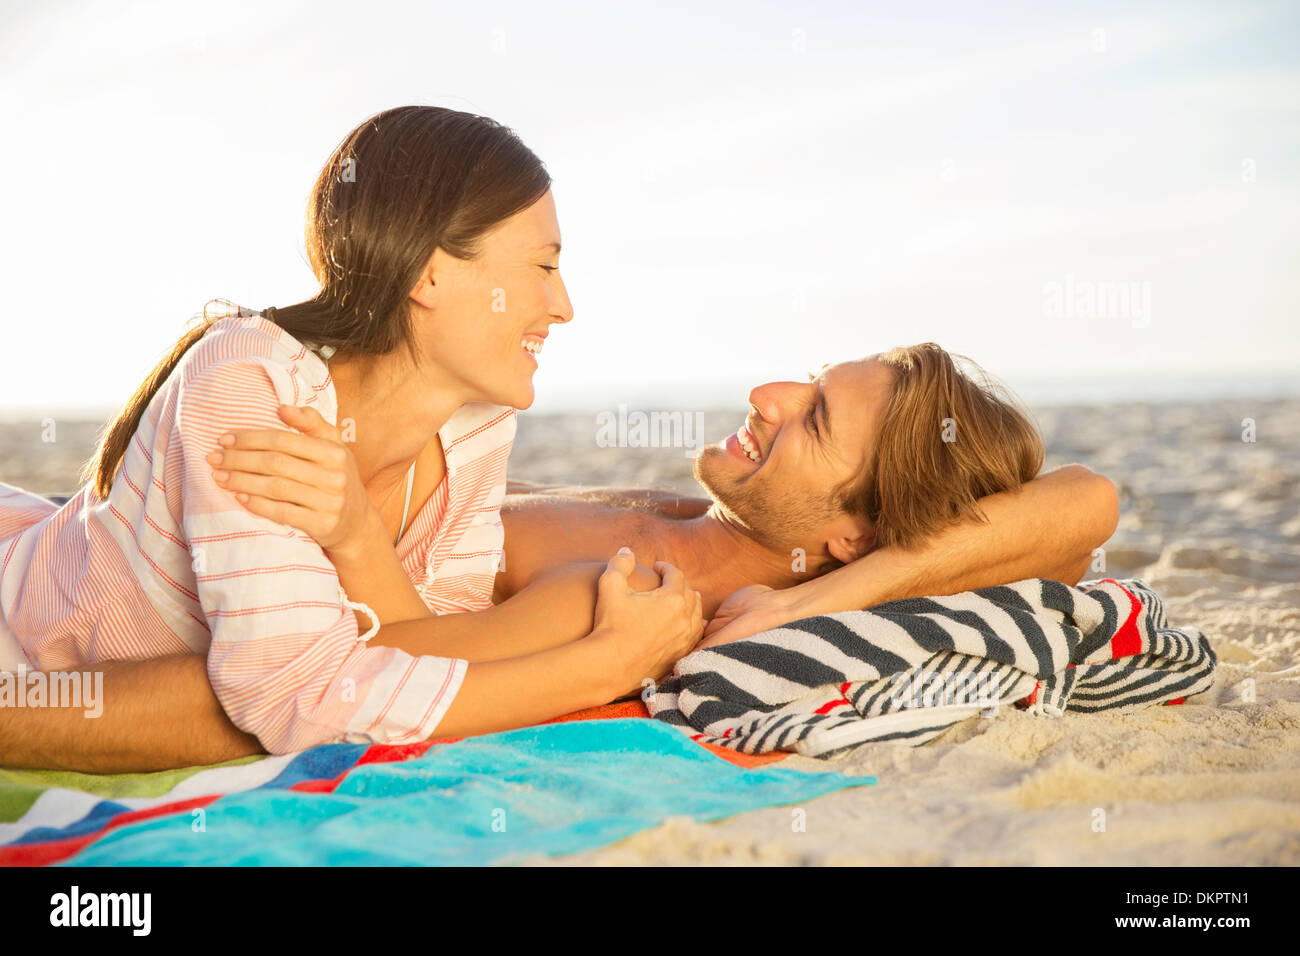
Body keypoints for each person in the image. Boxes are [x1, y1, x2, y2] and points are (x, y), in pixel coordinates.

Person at [0, 345, 1118, 771]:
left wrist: (349, 528)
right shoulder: (708, 528)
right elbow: (1085, 496)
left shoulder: (664, 593)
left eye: (816, 416)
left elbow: (396, 661)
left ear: (853, 527)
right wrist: (852, 577)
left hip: (203, 610)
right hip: (140, 539)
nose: (770, 391)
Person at [0, 106, 704, 762]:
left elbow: (435, 647)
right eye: (544, 266)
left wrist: (360, 539)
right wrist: (604, 667)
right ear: (430, 272)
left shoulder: (477, 425)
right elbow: (295, 699)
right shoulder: (250, 383)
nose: (564, 305)